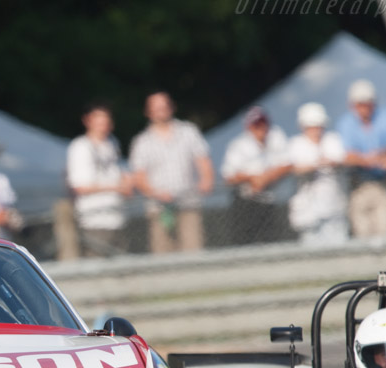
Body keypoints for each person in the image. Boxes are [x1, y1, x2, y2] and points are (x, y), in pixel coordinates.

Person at [129, 91, 214, 253]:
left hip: (188, 203)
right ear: (148, 112)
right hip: (159, 209)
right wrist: (156, 193)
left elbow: (203, 161)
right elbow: (139, 178)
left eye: (164, 106)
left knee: (193, 251)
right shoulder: (142, 142)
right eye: (156, 107)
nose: (161, 110)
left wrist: (206, 179)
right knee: (164, 256)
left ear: (171, 107)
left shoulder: (188, 131)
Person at [336, 79, 386, 238]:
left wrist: (373, 157)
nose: (365, 108)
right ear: (352, 105)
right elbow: (347, 156)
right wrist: (373, 159)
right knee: (362, 232)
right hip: (358, 185)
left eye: (368, 104)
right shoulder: (346, 123)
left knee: (385, 230)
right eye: (360, 104)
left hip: (383, 184)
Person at [66, 103, 134, 256]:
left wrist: (127, 182)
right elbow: (79, 186)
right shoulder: (80, 147)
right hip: (94, 220)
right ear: (87, 121)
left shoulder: (112, 143)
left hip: (117, 217)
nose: (103, 126)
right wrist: (116, 188)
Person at [221, 105, 291, 244]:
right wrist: (252, 178)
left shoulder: (276, 136)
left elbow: (288, 163)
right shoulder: (239, 145)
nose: (261, 129)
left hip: (269, 200)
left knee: (271, 241)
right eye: (256, 125)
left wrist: (267, 177)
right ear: (249, 127)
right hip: (246, 202)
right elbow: (228, 176)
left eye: (263, 124)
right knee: (245, 242)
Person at [286, 102, 349, 246]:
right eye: (312, 126)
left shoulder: (333, 140)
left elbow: (341, 159)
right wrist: (315, 165)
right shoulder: (296, 144)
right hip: (308, 213)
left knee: (338, 248)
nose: (316, 130)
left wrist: (328, 162)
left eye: (318, 126)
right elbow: (293, 168)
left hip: (334, 208)